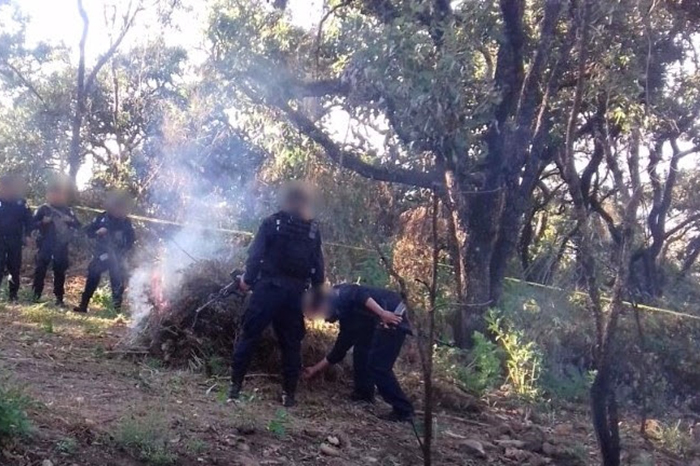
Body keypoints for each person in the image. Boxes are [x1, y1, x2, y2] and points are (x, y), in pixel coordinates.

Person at [228, 182, 324, 407]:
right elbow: (319, 268)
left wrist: (246, 281)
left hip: (267, 290)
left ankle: (234, 389)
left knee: (249, 336)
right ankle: (288, 396)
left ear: (287, 201)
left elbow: (255, 256)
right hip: (295, 295)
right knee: (291, 344)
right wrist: (317, 298)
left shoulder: (271, 223)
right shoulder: (312, 230)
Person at [303, 284, 415, 422]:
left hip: (391, 313)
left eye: (319, 313)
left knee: (378, 366)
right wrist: (314, 369)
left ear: (321, 303)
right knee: (361, 350)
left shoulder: (340, 293)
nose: (323, 318)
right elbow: (340, 349)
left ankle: (403, 410)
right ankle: (363, 394)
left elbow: (358, 293)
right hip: (376, 321)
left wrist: (382, 313)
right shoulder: (347, 316)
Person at [73, 192, 135, 313]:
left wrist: (123, 251)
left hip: (118, 256)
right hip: (102, 254)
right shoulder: (101, 218)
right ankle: (83, 305)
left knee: (117, 280)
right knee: (93, 273)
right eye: (116, 207)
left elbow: (131, 239)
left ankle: (115, 309)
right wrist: (98, 232)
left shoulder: (126, 222)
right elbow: (88, 231)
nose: (118, 211)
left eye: (121, 208)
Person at [32, 180, 81, 307]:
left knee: (60, 271)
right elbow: (31, 224)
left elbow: (78, 226)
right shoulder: (43, 209)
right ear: (48, 195)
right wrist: (42, 222)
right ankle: (35, 296)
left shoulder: (67, 210)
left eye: (59, 194)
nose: (56, 196)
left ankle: (59, 298)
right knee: (40, 270)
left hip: (61, 245)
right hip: (45, 244)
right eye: (53, 194)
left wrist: (70, 220)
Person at [0, 175, 33, 302]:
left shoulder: (20, 203)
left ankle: (13, 295)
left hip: (15, 239)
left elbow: (29, 220)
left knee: (14, 267)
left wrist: (28, 235)